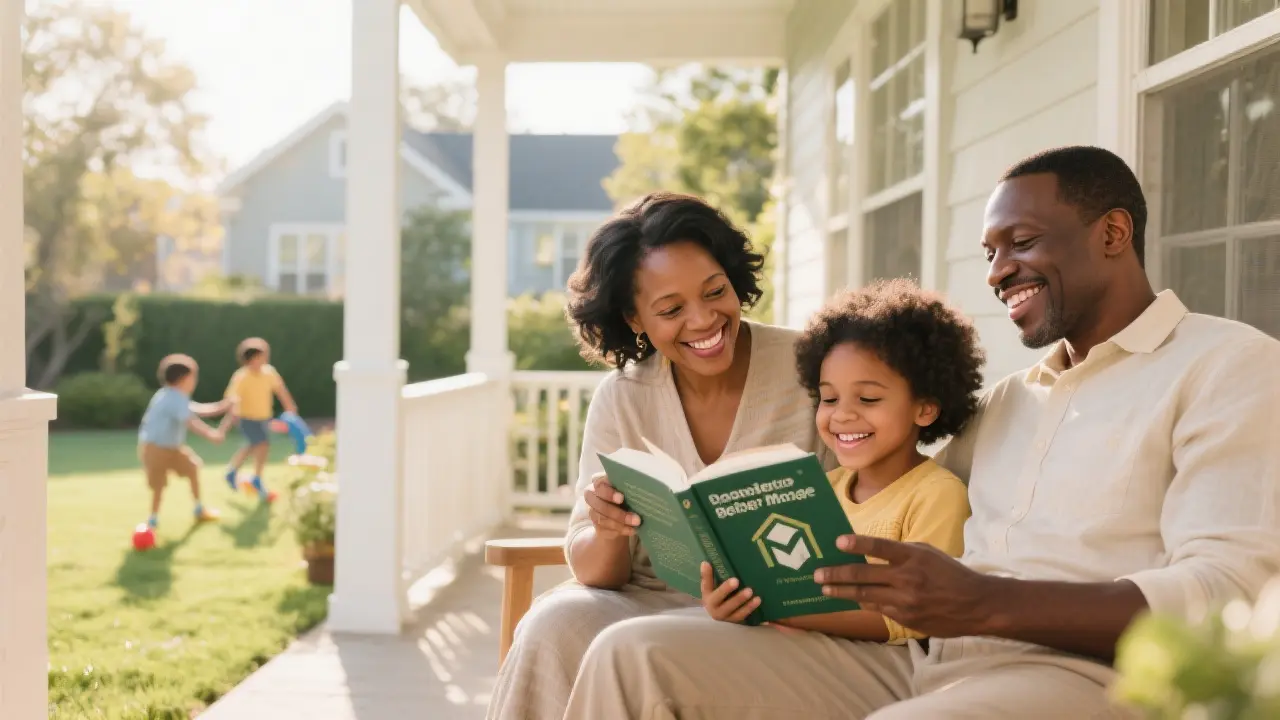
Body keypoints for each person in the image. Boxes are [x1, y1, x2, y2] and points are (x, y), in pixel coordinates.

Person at [562, 146, 1280, 719]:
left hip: (1082, 677)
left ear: (1114, 233)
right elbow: (895, 495)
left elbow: (1228, 590)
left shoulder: (1225, 366)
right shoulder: (1009, 402)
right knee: (632, 654)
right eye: (990, 253)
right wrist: (765, 586)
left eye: (1020, 243)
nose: (999, 273)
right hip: (927, 665)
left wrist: (983, 603)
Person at [486, 192, 836, 720]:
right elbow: (593, 572)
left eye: (715, 291)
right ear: (633, 318)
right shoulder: (623, 397)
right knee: (554, 623)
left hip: (782, 611)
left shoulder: (809, 366)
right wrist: (606, 528)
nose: (703, 321)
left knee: (636, 652)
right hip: (646, 601)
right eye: (671, 310)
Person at [701, 278, 982, 644]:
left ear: (925, 408)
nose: (842, 416)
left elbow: (916, 618)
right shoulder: (822, 489)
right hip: (802, 644)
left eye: (867, 399)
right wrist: (736, 601)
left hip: (887, 666)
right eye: (829, 399)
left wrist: (794, 614)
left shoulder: (937, 495)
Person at [137, 354, 230, 529]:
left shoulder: (173, 395)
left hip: (173, 448)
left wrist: (222, 406)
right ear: (182, 379)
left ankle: (199, 509)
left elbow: (196, 410)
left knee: (193, 468)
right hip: (155, 448)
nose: (194, 381)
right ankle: (152, 519)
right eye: (193, 377)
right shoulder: (173, 397)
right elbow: (191, 421)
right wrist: (211, 434)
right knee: (158, 484)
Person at [221, 337, 296, 502]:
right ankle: (256, 478)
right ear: (252, 358)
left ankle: (233, 471)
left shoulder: (269, 372)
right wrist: (230, 416)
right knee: (261, 444)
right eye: (262, 355)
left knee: (254, 445)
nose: (265, 359)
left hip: (263, 417)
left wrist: (290, 406)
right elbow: (232, 397)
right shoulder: (242, 376)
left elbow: (280, 389)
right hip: (246, 418)